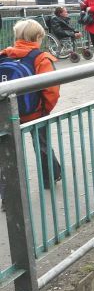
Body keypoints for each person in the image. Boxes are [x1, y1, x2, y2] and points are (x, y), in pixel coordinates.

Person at [0, 20, 61, 191]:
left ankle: (8, 193)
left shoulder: (3, 55)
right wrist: (43, 110)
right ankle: (49, 179)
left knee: (6, 152)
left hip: (5, 113)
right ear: (38, 37)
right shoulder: (41, 58)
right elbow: (51, 90)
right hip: (34, 113)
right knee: (42, 144)